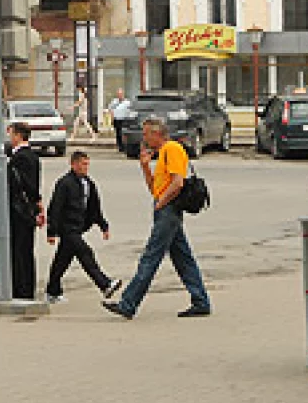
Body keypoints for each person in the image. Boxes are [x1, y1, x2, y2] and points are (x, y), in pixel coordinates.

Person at [103, 118, 212, 320]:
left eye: (146, 134)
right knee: (182, 258)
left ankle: (128, 303)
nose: (144, 139)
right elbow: (154, 188)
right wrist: (145, 167)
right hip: (165, 207)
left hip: (168, 210)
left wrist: (163, 202)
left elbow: (177, 182)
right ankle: (200, 300)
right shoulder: (163, 153)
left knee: (150, 257)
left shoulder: (172, 149)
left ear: (156, 134)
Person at [45, 151, 122, 303]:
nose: (85, 167)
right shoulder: (64, 183)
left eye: (87, 164)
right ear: (73, 164)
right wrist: (51, 231)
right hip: (67, 228)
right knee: (85, 253)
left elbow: (94, 208)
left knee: (62, 261)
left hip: (78, 227)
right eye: (82, 164)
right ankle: (105, 284)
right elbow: (55, 207)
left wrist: (103, 225)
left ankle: (52, 290)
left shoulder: (88, 183)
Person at [0, 150, 36, 299]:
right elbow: (31, 193)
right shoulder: (15, 175)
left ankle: (0, 292)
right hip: (20, 224)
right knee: (21, 259)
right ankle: (24, 292)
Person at [7, 122, 43, 299]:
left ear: (19, 136)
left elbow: (26, 184)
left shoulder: (21, 158)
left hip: (22, 210)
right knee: (25, 249)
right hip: (29, 208)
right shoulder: (31, 156)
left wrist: (35, 202)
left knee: (21, 250)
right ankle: (25, 287)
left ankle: (22, 289)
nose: (10, 138)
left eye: (11, 135)